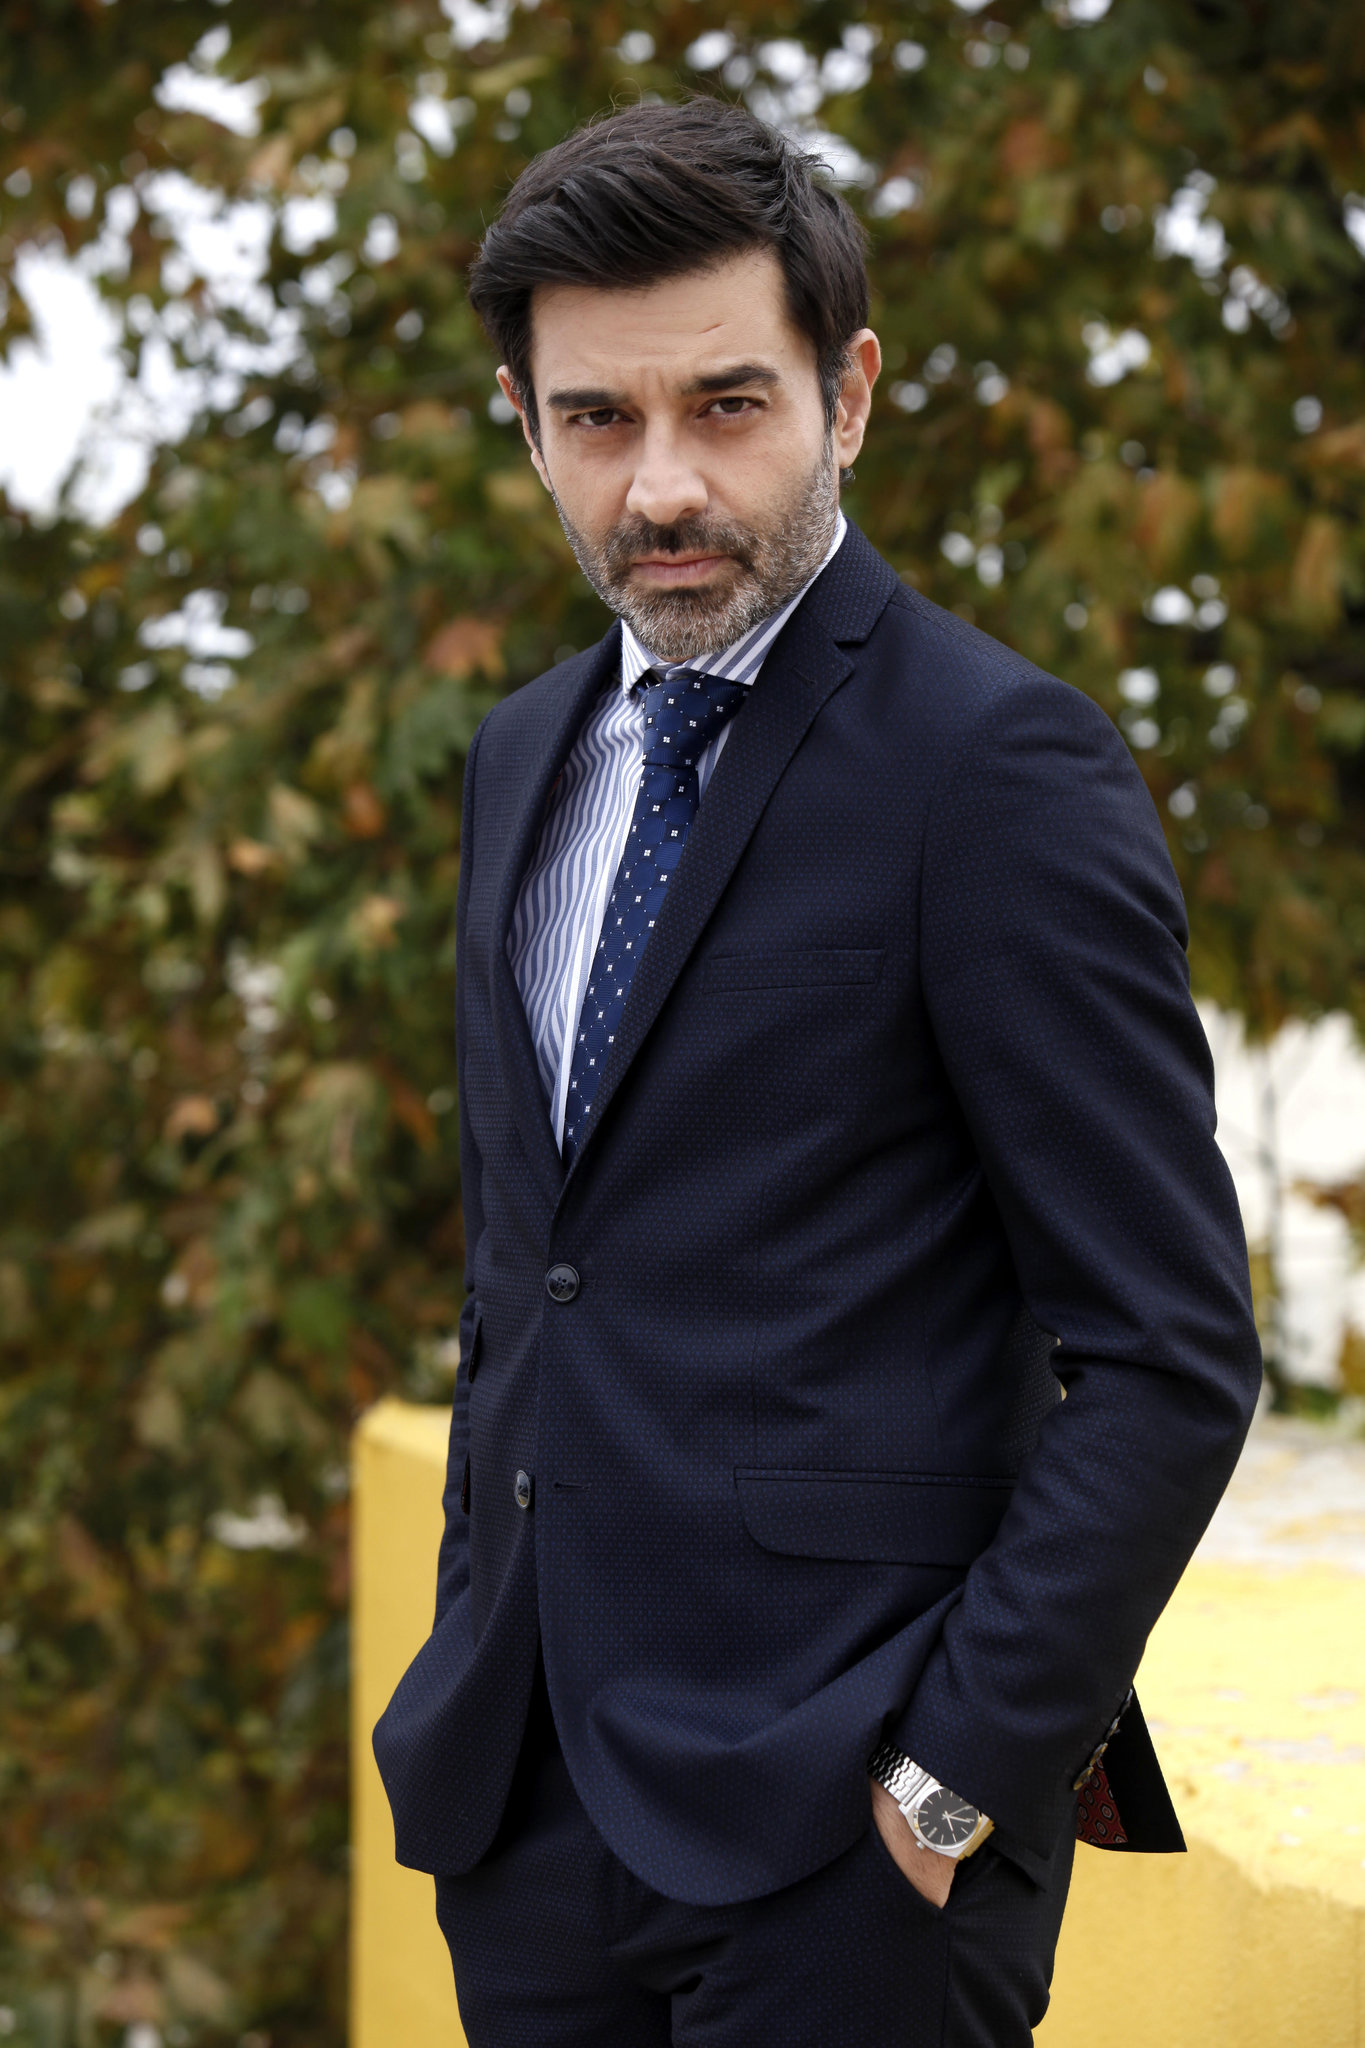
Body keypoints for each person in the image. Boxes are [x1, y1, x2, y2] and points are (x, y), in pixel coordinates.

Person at [374, 96, 1261, 2046]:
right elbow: (532, 1274)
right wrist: (467, 1670)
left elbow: (1168, 1350)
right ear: (522, 421)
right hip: (525, 1812)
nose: (660, 484)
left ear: (846, 395)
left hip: (846, 1847)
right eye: (594, 418)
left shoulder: (995, 767)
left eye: (727, 405)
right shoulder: (521, 759)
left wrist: (951, 1782)